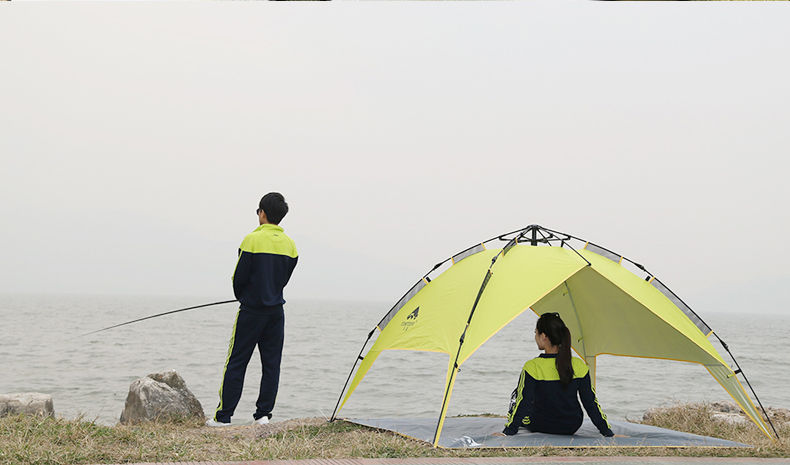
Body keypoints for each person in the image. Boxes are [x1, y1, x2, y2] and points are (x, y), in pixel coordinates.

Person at [207, 193, 298, 427]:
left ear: (262, 213)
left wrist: (246, 297)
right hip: (276, 312)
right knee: (271, 364)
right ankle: (263, 415)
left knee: (236, 362)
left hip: (251, 312)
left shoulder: (251, 239)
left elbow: (239, 277)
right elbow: (282, 279)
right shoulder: (290, 245)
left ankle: (223, 417)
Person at [495, 312, 614, 437]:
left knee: (519, 400)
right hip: (572, 425)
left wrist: (508, 432)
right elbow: (590, 402)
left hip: (541, 424)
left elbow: (524, 401)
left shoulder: (533, 366)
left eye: (536, 333)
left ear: (544, 336)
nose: (535, 336)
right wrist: (607, 432)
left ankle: (514, 422)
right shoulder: (578, 365)